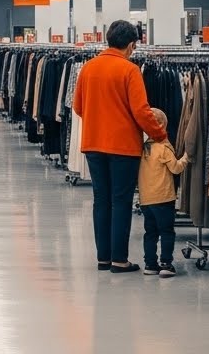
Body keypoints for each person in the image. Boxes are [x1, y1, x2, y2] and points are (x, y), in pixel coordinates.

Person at [72, 19, 167, 274]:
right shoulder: (129, 70)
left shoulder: (89, 68)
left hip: (93, 144)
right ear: (131, 45)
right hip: (123, 147)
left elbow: (78, 107)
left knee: (100, 200)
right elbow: (142, 111)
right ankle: (119, 259)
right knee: (121, 201)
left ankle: (103, 258)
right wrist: (160, 134)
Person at [139, 108, 189, 277]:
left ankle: (150, 264)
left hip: (146, 199)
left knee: (150, 233)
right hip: (164, 198)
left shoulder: (143, 149)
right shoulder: (163, 148)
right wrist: (186, 158)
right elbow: (175, 169)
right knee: (167, 231)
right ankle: (166, 264)